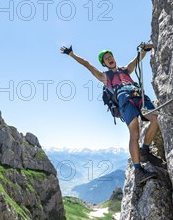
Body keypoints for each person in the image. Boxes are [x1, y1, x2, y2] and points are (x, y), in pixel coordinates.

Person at [60, 45, 164, 185]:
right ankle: (138, 170)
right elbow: (87, 65)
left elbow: (137, 59)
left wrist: (145, 49)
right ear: (104, 63)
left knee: (155, 119)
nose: (110, 58)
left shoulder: (126, 70)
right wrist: (72, 54)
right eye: (106, 58)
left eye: (110, 56)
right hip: (125, 101)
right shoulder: (104, 77)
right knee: (134, 133)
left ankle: (144, 150)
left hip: (139, 96)